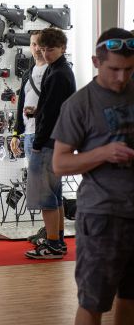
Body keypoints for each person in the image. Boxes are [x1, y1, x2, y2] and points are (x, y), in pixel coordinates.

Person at [52, 28, 134, 325]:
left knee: (131, 296)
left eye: (129, 69)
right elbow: (60, 163)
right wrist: (103, 153)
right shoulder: (79, 104)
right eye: (114, 69)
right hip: (102, 216)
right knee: (93, 301)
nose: (122, 78)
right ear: (96, 62)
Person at [24, 28, 75, 259]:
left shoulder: (58, 74)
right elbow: (53, 108)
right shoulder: (58, 70)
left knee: (46, 197)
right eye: (43, 49)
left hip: (48, 141)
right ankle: (57, 241)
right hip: (56, 140)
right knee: (54, 194)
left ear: (62, 48)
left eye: (51, 49)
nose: (45, 53)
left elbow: (53, 113)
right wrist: (37, 113)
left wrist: (38, 142)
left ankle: (53, 244)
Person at [10, 30, 48, 243]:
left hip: (44, 137)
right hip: (29, 135)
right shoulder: (28, 73)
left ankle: (53, 236)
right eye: (33, 44)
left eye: (40, 44)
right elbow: (21, 105)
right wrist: (16, 133)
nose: (36, 48)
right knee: (40, 187)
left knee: (47, 188)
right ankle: (50, 230)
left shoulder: (53, 72)